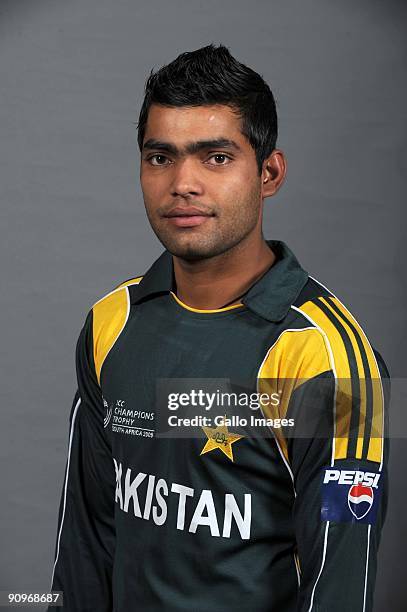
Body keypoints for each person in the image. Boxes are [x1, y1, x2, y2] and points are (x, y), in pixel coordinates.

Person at [48, 44, 389, 612]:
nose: (183, 183)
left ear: (269, 172)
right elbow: (84, 543)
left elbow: (340, 586)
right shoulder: (111, 322)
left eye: (215, 157)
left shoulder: (329, 359)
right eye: (161, 157)